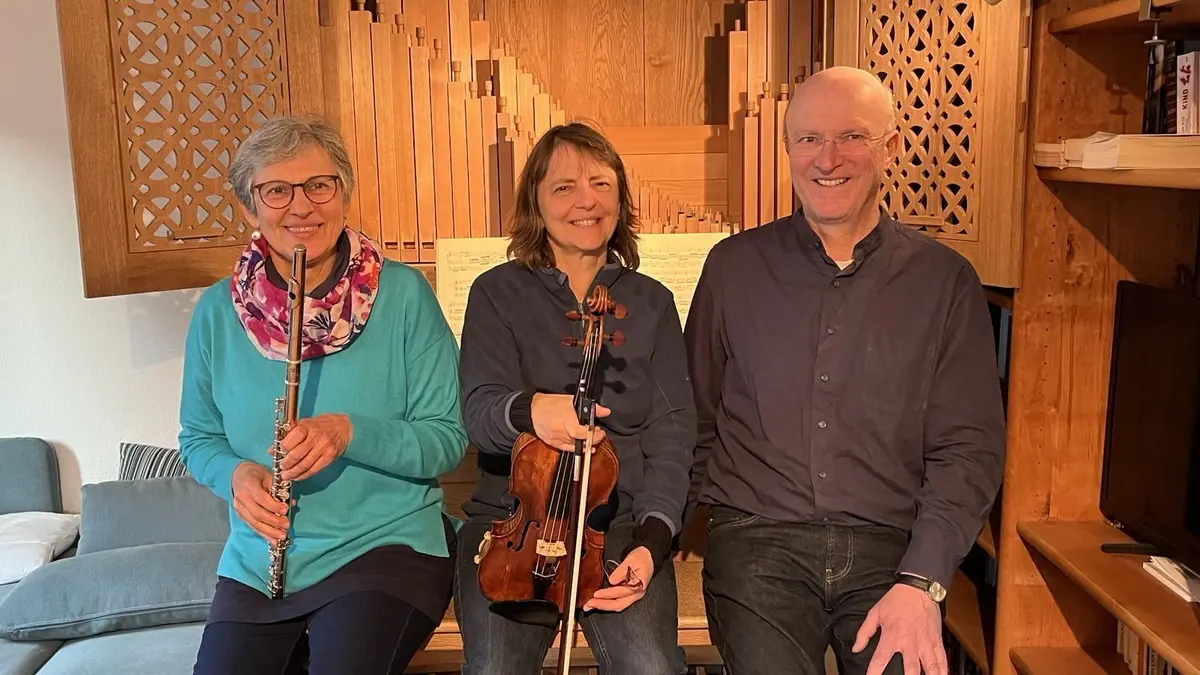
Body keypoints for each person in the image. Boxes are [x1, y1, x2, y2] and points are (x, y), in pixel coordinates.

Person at [683, 66, 1006, 675]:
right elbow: (693, 417)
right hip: (758, 539)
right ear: (787, 150)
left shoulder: (945, 281)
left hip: (893, 548)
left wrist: (924, 579)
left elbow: (969, 448)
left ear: (892, 148)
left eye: (852, 137)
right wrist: (661, 535)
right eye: (808, 140)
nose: (827, 158)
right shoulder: (732, 268)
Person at [178, 114, 468, 674]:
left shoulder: (404, 295)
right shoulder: (218, 311)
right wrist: (236, 475)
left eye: (319, 185)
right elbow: (199, 437)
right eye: (277, 190)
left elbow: (446, 439)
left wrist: (349, 431)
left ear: (343, 194)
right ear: (250, 208)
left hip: (386, 548)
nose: (301, 206)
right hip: (261, 560)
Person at [453, 122, 696, 675]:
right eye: (563, 187)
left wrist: (651, 545)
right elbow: (481, 413)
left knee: (652, 668)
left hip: (618, 528)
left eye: (600, 184)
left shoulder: (652, 303)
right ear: (535, 203)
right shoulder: (495, 293)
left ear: (621, 198)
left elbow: (674, 434)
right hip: (511, 527)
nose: (585, 201)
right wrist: (532, 410)